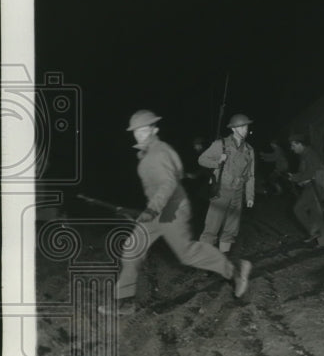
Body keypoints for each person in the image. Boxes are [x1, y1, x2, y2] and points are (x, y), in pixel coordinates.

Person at [99, 110, 251, 316]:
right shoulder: (156, 151)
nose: (140, 135)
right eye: (137, 131)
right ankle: (125, 302)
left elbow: (169, 183)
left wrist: (151, 209)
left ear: (154, 129)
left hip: (171, 210)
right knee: (131, 249)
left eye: (145, 130)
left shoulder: (158, 153)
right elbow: (177, 172)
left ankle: (235, 270)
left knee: (187, 254)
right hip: (158, 209)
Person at [197, 113, 255, 254]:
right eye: (243, 126)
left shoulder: (249, 149)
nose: (246, 129)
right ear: (234, 128)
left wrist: (250, 196)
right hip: (221, 191)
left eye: (247, 126)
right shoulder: (221, 144)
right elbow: (202, 159)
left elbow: (250, 175)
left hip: (238, 193)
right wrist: (218, 162)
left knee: (231, 229)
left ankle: (223, 260)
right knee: (212, 227)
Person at [288, 134, 324, 246]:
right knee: (316, 213)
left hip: (314, 187)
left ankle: (314, 232)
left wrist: (295, 177)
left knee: (298, 208)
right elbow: (306, 172)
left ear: (300, 144)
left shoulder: (309, 154)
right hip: (311, 186)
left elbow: (310, 172)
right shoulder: (305, 154)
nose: (291, 148)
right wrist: (297, 176)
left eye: (293, 145)